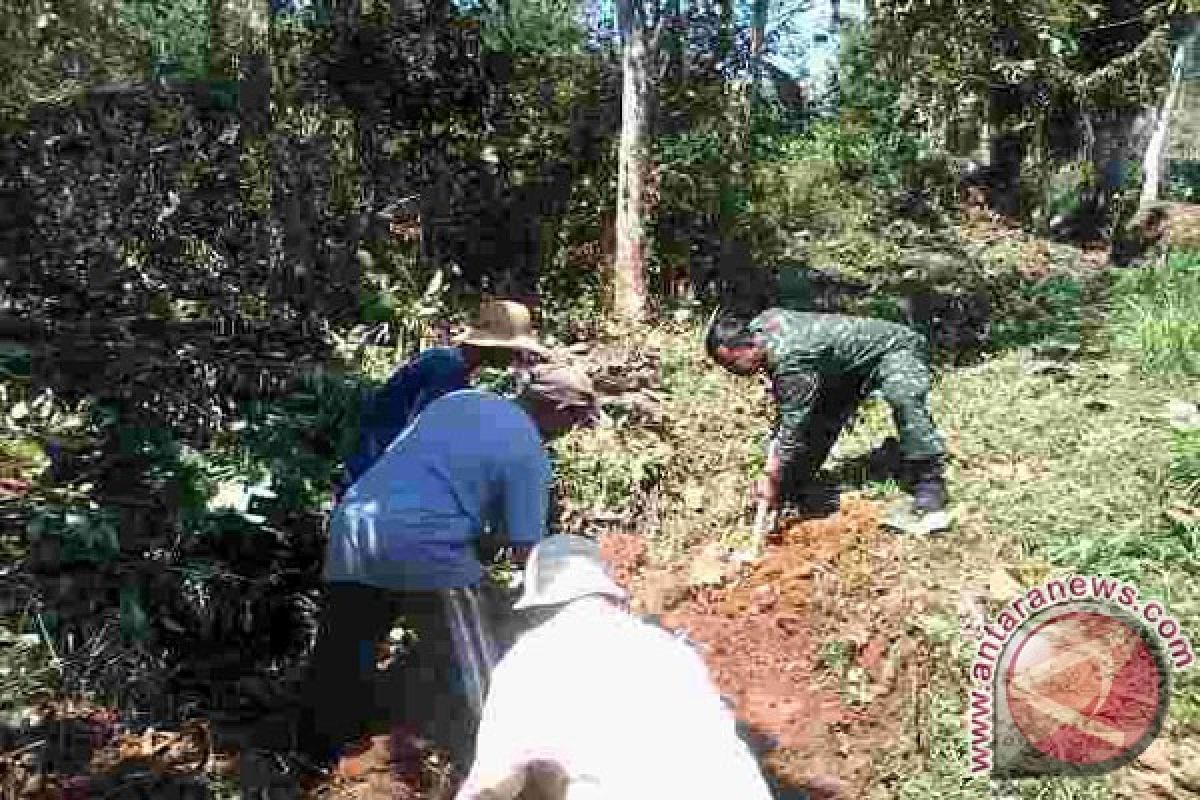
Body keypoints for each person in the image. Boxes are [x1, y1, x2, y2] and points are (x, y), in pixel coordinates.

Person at [296, 365, 599, 787]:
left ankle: (308, 762)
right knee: (477, 661)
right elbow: (528, 552)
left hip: (356, 523)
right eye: (574, 422)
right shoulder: (528, 452)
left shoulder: (460, 401)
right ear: (559, 410)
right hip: (426, 542)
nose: (570, 433)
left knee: (343, 652)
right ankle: (497, 764)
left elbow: (429, 475)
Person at [454, 534, 776, 800]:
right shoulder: (670, 649)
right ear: (610, 597)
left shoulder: (525, 665)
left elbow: (491, 785)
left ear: (537, 608)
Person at [706, 308, 948, 515]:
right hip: (842, 367)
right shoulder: (764, 324)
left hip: (894, 348)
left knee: (903, 397)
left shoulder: (791, 358)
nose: (733, 372)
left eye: (732, 364)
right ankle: (794, 490)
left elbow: (790, 426)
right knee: (819, 420)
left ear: (749, 346)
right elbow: (792, 415)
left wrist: (770, 476)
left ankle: (930, 480)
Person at [339, 299, 552, 495]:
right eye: (512, 349)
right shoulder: (447, 369)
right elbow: (419, 432)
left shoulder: (448, 365)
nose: (514, 357)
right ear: (493, 345)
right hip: (375, 476)